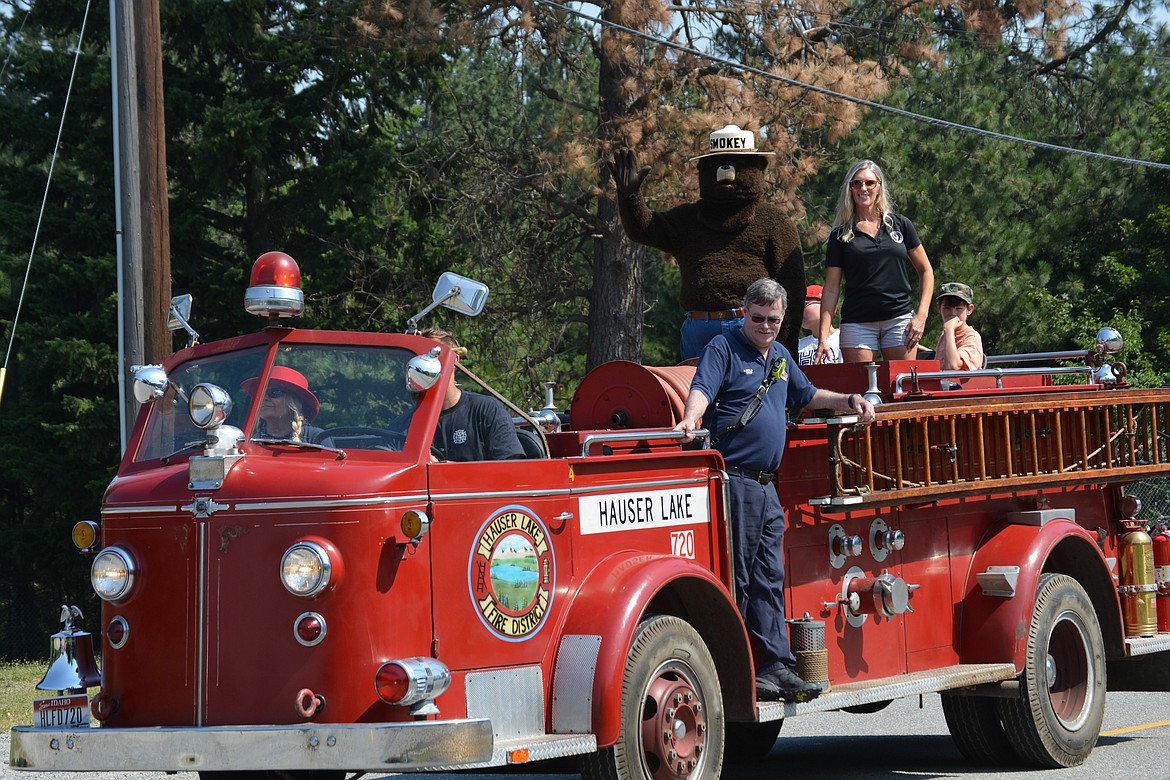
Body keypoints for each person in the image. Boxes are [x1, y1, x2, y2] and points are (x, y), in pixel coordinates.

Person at [674, 278, 875, 702]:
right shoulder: (723, 348)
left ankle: (775, 668)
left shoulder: (781, 356)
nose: (765, 326)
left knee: (769, 577)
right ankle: (740, 668)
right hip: (736, 482)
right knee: (741, 578)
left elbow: (806, 394)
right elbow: (702, 389)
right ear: (744, 314)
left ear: (783, 321)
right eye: (758, 318)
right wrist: (691, 421)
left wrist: (850, 400)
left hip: (767, 489)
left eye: (773, 320)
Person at [609, 124, 806, 360]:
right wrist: (630, 198)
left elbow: (792, 286)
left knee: (746, 394)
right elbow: (644, 229)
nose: (726, 171)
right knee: (695, 395)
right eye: (718, 164)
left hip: (750, 326)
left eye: (735, 163)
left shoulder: (773, 220)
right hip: (698, 329)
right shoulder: (688, 218)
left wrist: (784, 348)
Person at [817, 159, 934, 363]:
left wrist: (921, 316)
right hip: (857, 323)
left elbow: (926, 271)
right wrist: (823, 336)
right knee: (861, 390)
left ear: (879, 187)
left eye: (870, 183)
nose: (864, 188)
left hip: (899, 320)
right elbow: (832, 288)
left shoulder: (901, 225)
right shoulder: (839, 235)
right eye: (857, 183)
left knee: (901, 388)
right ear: (850, 189)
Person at [419, 328, 525, 462]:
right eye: (420, 358)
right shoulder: (410, 420)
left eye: (433, 355)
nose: (425, 364)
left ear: (454, 360)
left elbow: (511, 469)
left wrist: (441, 467)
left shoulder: (486, 410)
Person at [241, 366, 323, 443]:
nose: (264, 398)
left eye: (275, 392)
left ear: (295, 403)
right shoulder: (248, 441)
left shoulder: (316, 438)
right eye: (260, 393)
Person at [933, 282, 984, 371]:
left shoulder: (971, 337)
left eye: (959, 309)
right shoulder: (946, 334)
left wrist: (949, 329)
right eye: (947, 308)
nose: (953, 314)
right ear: (939, 308)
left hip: (962, 385)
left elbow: (953, 366)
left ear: (969, 309)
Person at [797, 284, 842, 366]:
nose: (799, 311)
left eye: (805, 304)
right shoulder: (798, 345)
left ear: (829, 307)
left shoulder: (844, 340)